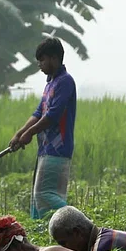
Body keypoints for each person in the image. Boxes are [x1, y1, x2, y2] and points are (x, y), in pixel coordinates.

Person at [8, 37, 76, 220]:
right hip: (45, 149)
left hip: (58, 149)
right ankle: (41, 238)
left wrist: (30, 133)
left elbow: (53, 115)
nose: (39, 64)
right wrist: (19, 133)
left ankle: (81, 224)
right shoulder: (50, 84)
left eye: (42, 60)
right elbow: (39, 112)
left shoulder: (65, 81)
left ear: (54, 58)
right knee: (37, 200)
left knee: (44, 195)